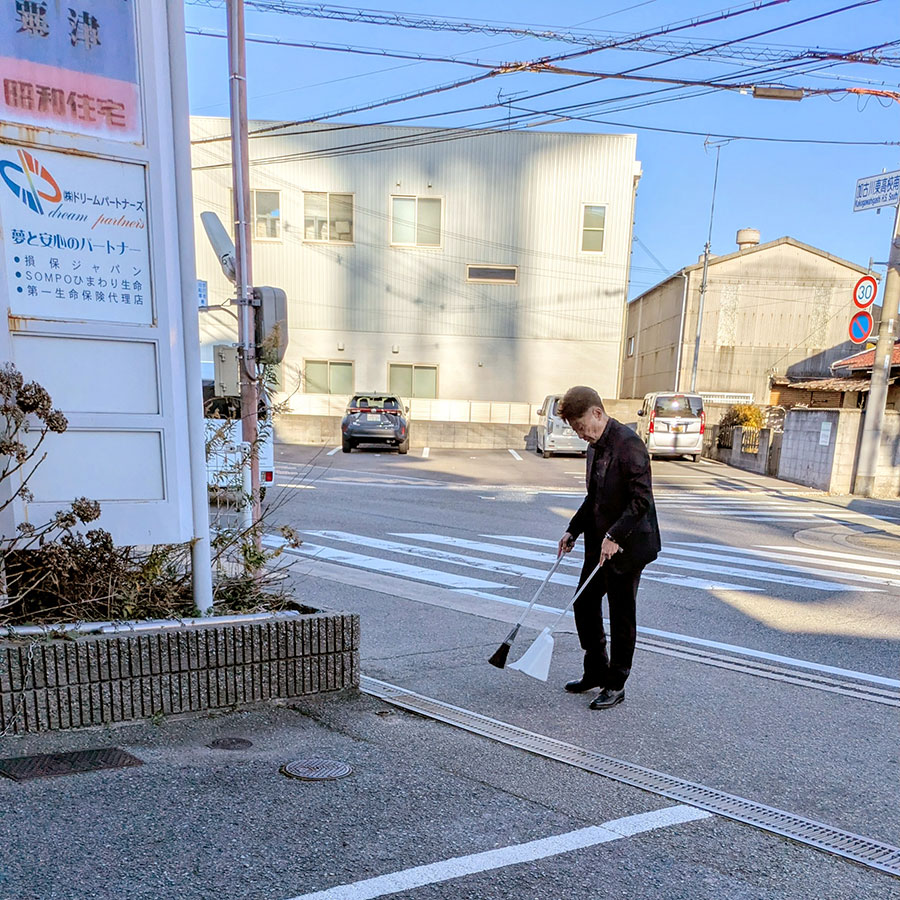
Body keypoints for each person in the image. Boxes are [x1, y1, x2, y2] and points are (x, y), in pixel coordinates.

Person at [556, 385, 661, 710]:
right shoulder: (595, 448)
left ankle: (616, 683)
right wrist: (573, 529)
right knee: (584, 602)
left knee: (621, 613)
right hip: (599, 542)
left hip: (629, 544)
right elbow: (594, 498)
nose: (580, 434)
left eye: (581, 426)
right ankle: (596, 670)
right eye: (575, 430)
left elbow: (641, 500)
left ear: (597, 413)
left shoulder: (629, 445)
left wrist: (615, 536)